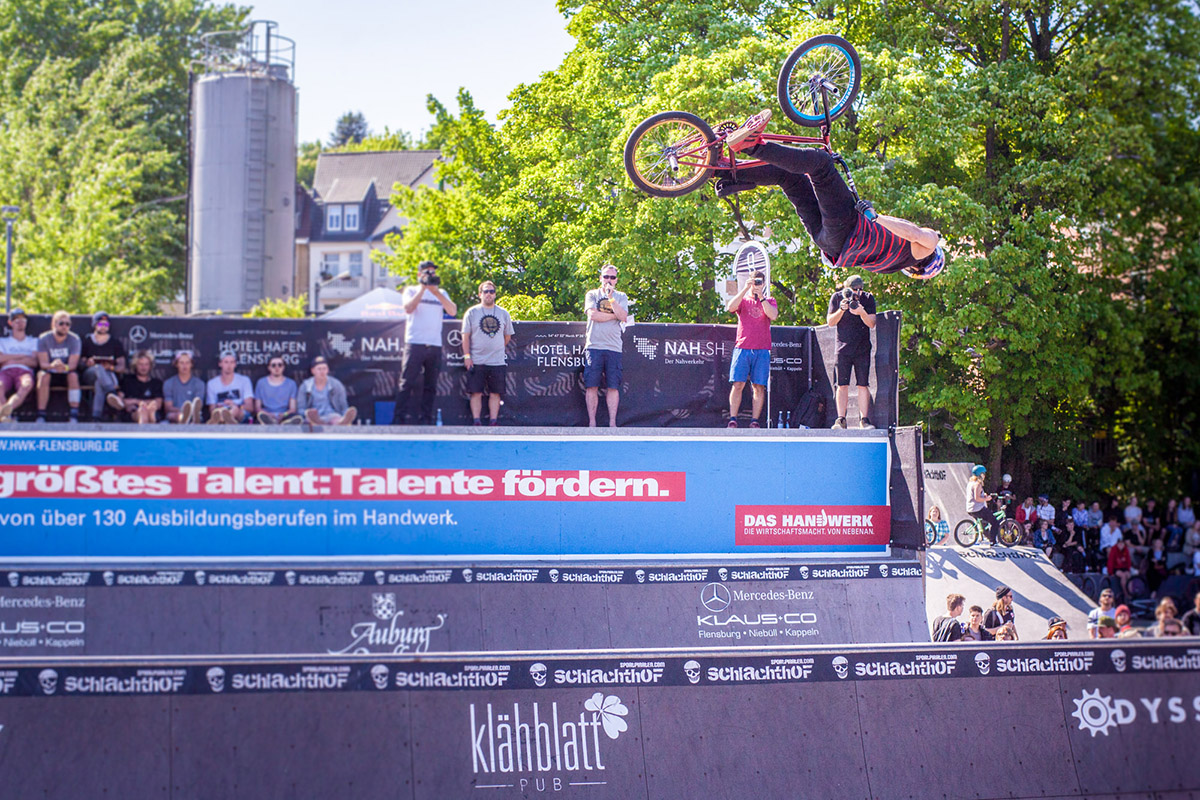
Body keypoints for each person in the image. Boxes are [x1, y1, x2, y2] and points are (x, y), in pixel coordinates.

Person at [720, 109, 946, 279]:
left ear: (925, 261)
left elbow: (916, 233)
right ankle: (726, 173)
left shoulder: (925, 248)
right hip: (827, 243)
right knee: (789, 178)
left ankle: (752, 146)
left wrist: (875, 217)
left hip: (846, 227)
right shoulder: (888, 266)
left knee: (821, 165)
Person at [396, 260, 456, 425]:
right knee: (407, 382)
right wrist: (423, 288)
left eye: (433, 272)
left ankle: (426, 420)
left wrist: (436, 292)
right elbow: (408, 308)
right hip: (415, 342)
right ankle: (399, 419)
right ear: (419, 274)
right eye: (427, 272)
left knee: (431, 385)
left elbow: (452, 311)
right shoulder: (411, 290)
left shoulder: (441, 292)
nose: (431, 275)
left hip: (434, 344)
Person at [726, 269, 777, 428]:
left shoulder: (769, 300)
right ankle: (733, 419)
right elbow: (730, 307)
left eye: (759, 282)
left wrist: (761, 297)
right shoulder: (743, 300)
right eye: (754, 281)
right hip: (743, 347)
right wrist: (745, 289)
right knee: (738, 384)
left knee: (758, 386)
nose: (756, 285)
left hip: (761, 349)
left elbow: (773, 315)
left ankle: (754, 421)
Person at [461, 280, 514, 426]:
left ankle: (493, 421)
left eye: (491, 291)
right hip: (476, 360)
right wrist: (467, 356)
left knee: (495, 393)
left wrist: (497, 348)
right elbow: (465, 336)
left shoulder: (503, 313)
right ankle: (477, 421)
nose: (489, 294)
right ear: (480, 294)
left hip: (497, 361)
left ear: (495, 294)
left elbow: (507, 336)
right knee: (475, 392)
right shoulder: (472, 313)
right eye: (486, 291)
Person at [826, 275, 876, 429]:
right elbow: (830, 322)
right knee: (842, 384)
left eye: (860, 289)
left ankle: (864, 420)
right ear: (846, 289)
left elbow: (872, 323)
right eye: (854, 290)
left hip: (862, 348)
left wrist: (861, 312)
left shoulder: (868, 299)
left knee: (863, 384)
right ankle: (841, 419)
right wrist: (842, 310)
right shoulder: (837, 298)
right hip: (842, 348)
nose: (857, 293)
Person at [583, 264, 629, 427]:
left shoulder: (621, 296)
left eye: (612, 277)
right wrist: (613, 316)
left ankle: (612, 424)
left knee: (613, 386)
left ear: (616, 280)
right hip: (594, 345)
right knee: (591, 385)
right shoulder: (592, 294)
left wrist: (611, 300)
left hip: (614, 347)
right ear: (600, 278)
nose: (609, 280)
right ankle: (592, 423)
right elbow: (593, 315)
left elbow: (624, 316)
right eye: (606, 277)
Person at [35, 310, 82, 423]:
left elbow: (73, 365)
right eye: (61, 323)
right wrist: (52, 366)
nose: (64, 326)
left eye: (67, 324)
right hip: (49, 370)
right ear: (54, 324)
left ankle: (74, 414)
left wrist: (64, 367)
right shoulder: (44, 338)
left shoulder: (75, 339)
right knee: (43, 376)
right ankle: (41, 414)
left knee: (73, 376)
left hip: (66, 371)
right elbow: (43, 364)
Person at [79, 311, 126, 421]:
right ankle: (112, 394)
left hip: (107, 375)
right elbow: (78, 361)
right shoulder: (86, 341)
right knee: (98, 368)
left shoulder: (115, 343)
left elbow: (122, 366)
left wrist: (111, 367)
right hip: (89, 374)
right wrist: (87, 362)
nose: (104, 327)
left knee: (99, 383)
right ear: (95, 325)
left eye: (106, 324)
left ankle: (96, 416)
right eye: (101, 324)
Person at [0, 308, 38, 422]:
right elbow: (1, 359)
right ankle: (5, 416)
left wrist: (11, 358)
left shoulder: (33, 341)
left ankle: (7, 410)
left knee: (26, 385)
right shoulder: (2, 341)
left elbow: (34, 362)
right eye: (16, 320)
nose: (20, 322)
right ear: (10, 323)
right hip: (5, 371)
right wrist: (22, 356)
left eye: (23, 319)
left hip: (24, 371)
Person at [298, 356, 356, 426]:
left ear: (328, 370)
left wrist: (345, 416)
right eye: (319, 369)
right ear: (312, 371)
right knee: (309, 421)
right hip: (314, 417)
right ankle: (318, 422)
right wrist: (307, 413)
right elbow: (300, 409)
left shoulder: (336, 384)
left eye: (324, 368)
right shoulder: (305, 386)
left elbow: (343, 406)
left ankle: (342, 422)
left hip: (332, 415)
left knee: (336, 420)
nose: (322, 372)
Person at [111, 350, 163, 425]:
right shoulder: (127, 380)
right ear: (135, 365)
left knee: (150, 412)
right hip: (132, 415)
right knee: (142, 413)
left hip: (153, 414)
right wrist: (140, 403)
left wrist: (134, 402)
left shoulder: (156, 383)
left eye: (146, 364)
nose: (143, 367)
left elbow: (158, 404)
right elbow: (120, 401)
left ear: (150, 366)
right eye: (140, 364)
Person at [205, 351, 254, 424]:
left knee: (234, 410)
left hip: (240, 413)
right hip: (220, 412)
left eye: (232, 362)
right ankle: (225, 420)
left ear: (235, 364)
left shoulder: (244, 380)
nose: (229, 365)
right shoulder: (212, 383)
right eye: (226, 362)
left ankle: (227, 420)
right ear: (220, 364)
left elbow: (250, 407)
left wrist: (236, 406)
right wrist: (219, 408)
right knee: (220, 413)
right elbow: (212, 409)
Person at [162, 351, 206, 424]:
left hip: (194, 415)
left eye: (187, 363)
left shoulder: (199, 383)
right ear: (176, 364)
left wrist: (189, 412)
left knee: (196, 416)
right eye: (181, 363)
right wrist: (183, 412)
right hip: (175, 414)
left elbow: (198, 406)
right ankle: (184, 419)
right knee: (173, 416)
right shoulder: (168, 383)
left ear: (191, 364)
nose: (184, 366)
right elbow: (168, 408)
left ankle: (187, 419)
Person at [254, 355, 300, 425]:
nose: (277, 367)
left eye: (280, 365)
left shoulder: (291, 383)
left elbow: (292, 408)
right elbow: (257, 408)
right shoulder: (261, 382)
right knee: (259, 417)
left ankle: (285, 423)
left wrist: (283, 415)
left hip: (285, 415)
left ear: (283, 367)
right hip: (266, 414)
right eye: (273, 365)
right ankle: (271, 422)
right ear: (269, 367)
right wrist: (269, 415)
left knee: (296, 416)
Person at [965, 465, 995, 543]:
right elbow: (977, 498)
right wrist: (986, 499)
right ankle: (993, 541)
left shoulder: (971, 483)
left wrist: (983, 494)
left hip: (970, 508)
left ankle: (986, 538)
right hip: (977, 508)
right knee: (994, 521)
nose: (984, 476)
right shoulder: (977, 484)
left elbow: (974, 494)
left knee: (984, 523)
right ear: (980, 474)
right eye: (984, 474)